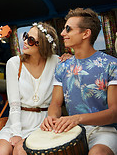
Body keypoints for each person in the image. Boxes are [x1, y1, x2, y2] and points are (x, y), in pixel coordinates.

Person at [40, 8, 117, 155]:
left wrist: (78, 118)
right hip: (72, 131)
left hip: (105, 131)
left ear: (86, 34)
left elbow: (114, 113)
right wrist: (51, 118)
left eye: (68, 29)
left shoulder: (111, 65)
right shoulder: (62, 67)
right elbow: (55, 104)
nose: (63, 33)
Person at [0, 22, 59, 155]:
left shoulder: (56, 62)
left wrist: (69, 57)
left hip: (43, 123)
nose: (24, 41)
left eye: (30, 40)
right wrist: (16, 133)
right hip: (17, 121)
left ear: (43, 45)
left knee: (21, 150)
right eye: (25, 36)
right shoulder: (14, 63)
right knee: (0, 151)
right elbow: (14, 104)